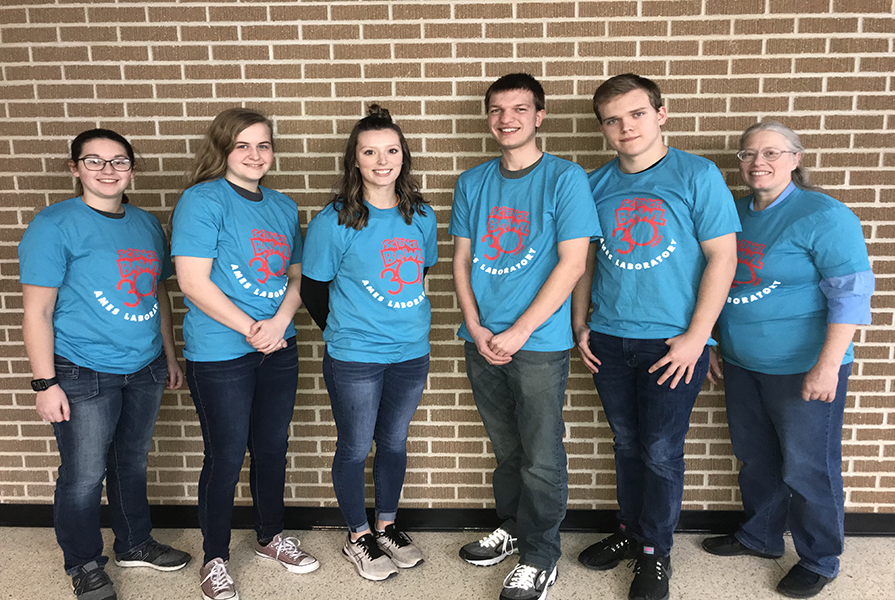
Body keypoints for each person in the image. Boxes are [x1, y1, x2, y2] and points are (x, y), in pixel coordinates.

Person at [571, 74, 739, 600]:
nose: (626, 127)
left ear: (661, 114)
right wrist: (582, 324)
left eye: (636, 114)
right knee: (625, 443)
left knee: (662, 450)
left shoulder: (697, 174)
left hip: (673, 345)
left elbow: (723, 256)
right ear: (603, 129)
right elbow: (585, 262)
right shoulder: (593, 184)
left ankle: (655, 553)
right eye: (613, 120)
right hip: (609, 339)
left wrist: (698, 336)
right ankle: (630, 531)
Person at [701, 122, 874, 599]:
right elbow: (714, 280)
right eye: (748, 153)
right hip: (741, 363)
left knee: (808, 466)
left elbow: (852, 295)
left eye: (772, 152)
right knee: (756, 458)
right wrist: (712, 343)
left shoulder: (825, 215)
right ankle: (761, 536)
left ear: (796, 159)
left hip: (803, 368)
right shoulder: (733, 213)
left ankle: (820, 558)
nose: (759, 162)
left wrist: (828, 365)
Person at [19, 129, 191, 600]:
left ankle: (135, 543)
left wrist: (169, 355)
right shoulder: (53, 225)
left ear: (131, 169)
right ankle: (84, 563)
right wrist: (44, 382)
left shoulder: (147, 224)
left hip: (145, 367)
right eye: (94, 161)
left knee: (131, 463)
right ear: (75, 169)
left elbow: (158, 291)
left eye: (118, 161)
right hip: (81, 369)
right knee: (83, 474)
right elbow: (37, 310)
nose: (107, 170)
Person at [451, 73, 601, 600]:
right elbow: (463, 259)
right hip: (482, 339)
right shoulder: (472, 182)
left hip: (537, 343)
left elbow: (574, 261)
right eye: (496, 110)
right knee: (506, 447)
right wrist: (473, 323)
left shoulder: (566, 178)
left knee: (540, 452)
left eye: (519, 109)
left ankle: (541, 555)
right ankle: (513, 527)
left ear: (539, 116)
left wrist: (519, 330)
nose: (506, 119)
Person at [171, 108, 317, 600]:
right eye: (243, 146)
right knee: (226, 455)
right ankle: (215, 558)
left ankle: (270, 536)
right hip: (219, 352)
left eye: (264, 146)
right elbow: (193, 281)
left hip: (278, 346)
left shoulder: (282, 205)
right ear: (223, 150)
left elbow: (297, 278)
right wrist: (251, 327)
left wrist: (278, 324)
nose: (255, 156)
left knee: (273, 448)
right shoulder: (201, 200)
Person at [301, 104, 437, 582]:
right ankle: (358, 536)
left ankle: (387, 526)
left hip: (410, 352)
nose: (383, 161)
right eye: (370, 152)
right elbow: (313, 289)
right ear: (354, 160)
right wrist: (347, 330)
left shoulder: (421, 215)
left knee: (394, 442)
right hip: (355, 356)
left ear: (404, 156)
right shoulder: (334, 221)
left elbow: (420, 273)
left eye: (392, 150)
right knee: (356, 446)